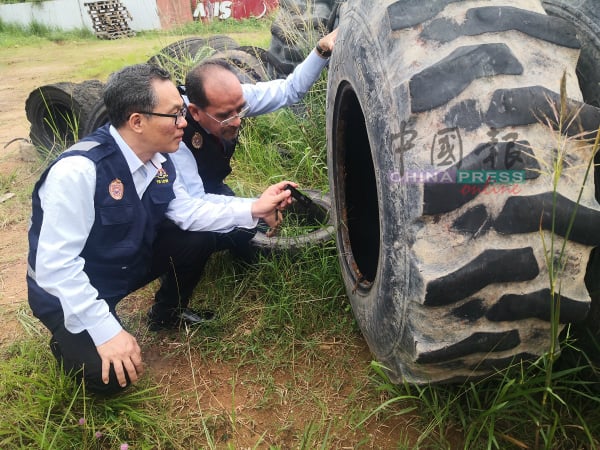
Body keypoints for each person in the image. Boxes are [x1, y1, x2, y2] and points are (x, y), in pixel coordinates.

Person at [26, 63, 295, 394]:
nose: (184, 123)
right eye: (175, 115)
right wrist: (106, 331)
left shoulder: (160, 159)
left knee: (198, 238)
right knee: (110, 378)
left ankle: (168, 313)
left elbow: (187, 211)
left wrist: (254, 207)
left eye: (183, 112)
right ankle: (68, 344)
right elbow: (56, 269)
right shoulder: (79, 172)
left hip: (125, 263)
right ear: (137, 121)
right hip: (71, 288)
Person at [171, 28, 337, 256]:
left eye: (240, 109)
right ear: (195, 112)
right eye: (226, 116)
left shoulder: (228, 101)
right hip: (176, 200)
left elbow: (290, 90)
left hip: (211, 184)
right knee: (196, 242)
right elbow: (191, 203)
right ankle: (174, 284)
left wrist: (321, 51)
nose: (237, 121)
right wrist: (255, 207)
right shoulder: (173, 135)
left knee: (246, 231)